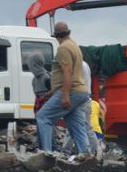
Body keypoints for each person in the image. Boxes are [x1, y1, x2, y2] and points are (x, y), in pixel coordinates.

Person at [35, 22, 91, 154]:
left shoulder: (63, 48)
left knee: (43, 118)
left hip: (71, 92)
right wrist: (52, 93)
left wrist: (65, 95)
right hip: (81, 92)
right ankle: (86, 156)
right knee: (76, 126)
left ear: (56, 36)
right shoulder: (74, 46)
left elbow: (67, 72)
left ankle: (46, 155)